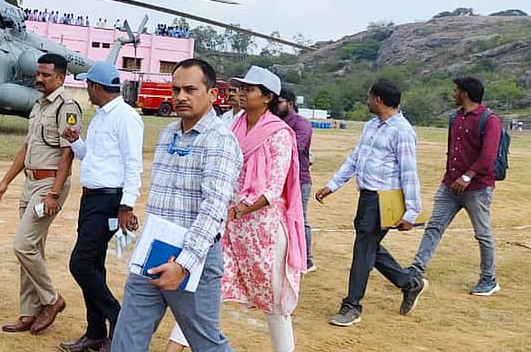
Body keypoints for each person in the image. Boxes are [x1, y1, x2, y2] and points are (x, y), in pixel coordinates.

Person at [166, 66, 305, 352]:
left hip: (264, 232)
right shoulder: (232, 126)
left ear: (267, 97)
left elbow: (273, 189)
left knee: (273, 302)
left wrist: (237, 210)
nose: (240, 93)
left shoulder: (280, 134)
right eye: (240, 88)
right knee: (205, 290)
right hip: (229, 229)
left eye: (248, 89)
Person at [112, 58, 243, 352]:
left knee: (206, 343)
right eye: (176, 90)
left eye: (190, 90)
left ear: (212, 94)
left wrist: (183, 264)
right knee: (127, 336)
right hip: (152, 251)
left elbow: (214, 209)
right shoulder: (168, 133)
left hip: (194, 257)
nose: (181, 96)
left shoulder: (220, 141)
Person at [314, 79, 427, 327]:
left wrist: (412, 212)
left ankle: (352, 305)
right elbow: (355, 159)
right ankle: (409, 283)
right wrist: (333, 185)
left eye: (369, 97)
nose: (367, 101)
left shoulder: (402, 131)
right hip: (366, 197)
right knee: (369, 247)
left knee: (363, 249)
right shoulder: (371, 126)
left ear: (378, 99)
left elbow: (409, 171)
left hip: (383, 200)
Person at [0, 53, 82, 335]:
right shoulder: (39, 104)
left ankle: (52, 300)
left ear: (61, 78)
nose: (39, 79)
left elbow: (68, 153)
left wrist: (54, 193)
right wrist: (6, 181)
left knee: (23, 245)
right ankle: (29, 312)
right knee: (32, 248)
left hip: (49, 185)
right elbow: (27, 147)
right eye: (38, 74)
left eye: (46, 75)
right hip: (30, 183)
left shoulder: (67, 107)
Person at [60, 61, 144, 352]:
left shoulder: (125, 117)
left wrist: (126, 205)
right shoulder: (99, 117)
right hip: (91, 198)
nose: (86, 90)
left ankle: (117, 316)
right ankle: (95, 332)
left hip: (110, 201)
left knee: (81, 263)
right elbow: (93, 156)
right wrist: (76, 142)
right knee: (94, 264)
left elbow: (133, 164)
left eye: (88, 85)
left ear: (96, 86)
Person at [408, 77, 502, 295]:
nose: (453, 93)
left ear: (465, 94)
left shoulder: (489, 120)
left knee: (482, 234)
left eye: (456, 90)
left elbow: (488, 156)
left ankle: (489, 279)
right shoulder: (456, 118)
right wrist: (452, 177)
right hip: (450, 185)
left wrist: (468, 176)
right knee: (434, 227)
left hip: (477, 188)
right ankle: (416, 269)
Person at [277, 87, 316, 273]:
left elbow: (293, 150)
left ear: (290, 104)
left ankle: (307, 260)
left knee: (300, 218)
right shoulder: (275, 122)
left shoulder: (302, 124)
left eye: (279, 102)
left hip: (299, 180)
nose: (275, 106)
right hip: (280, 180)